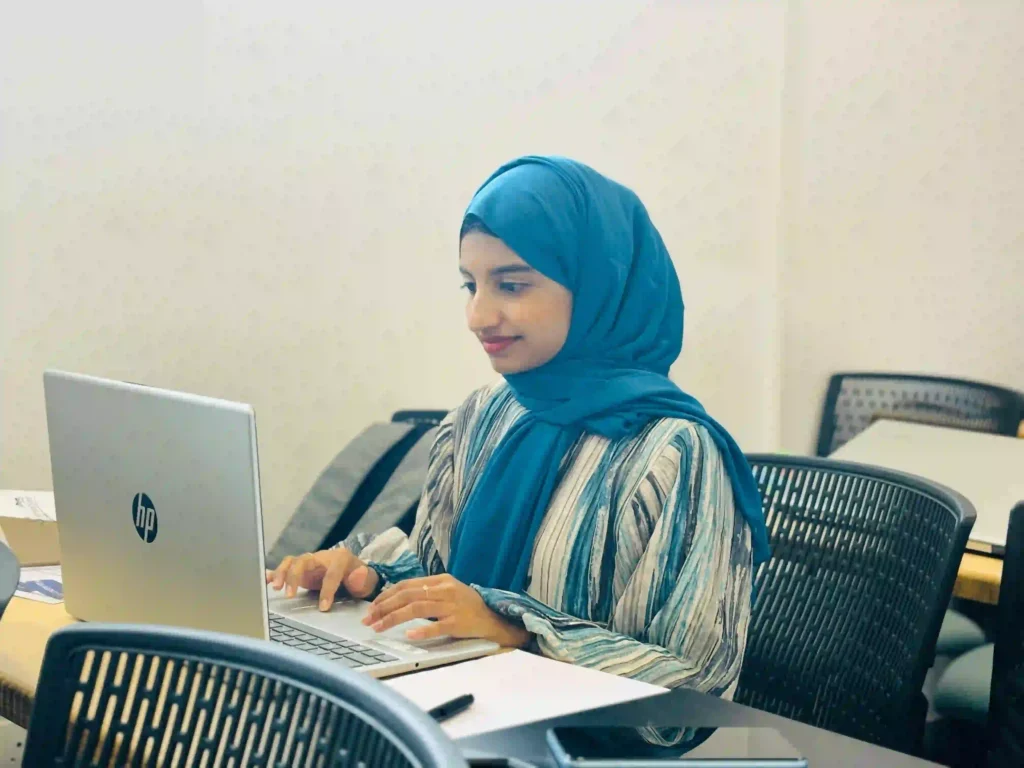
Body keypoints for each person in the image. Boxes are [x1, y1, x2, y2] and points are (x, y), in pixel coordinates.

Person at [268, 156, 770, 712]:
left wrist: (519, 632)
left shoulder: (674, 453)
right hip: (455, 715)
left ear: (597, 286)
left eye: (510, 284)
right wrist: (369, 578)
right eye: (470, 285)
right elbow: (444, 575)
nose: (478, 316)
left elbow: (695, 687)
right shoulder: (481, 416)